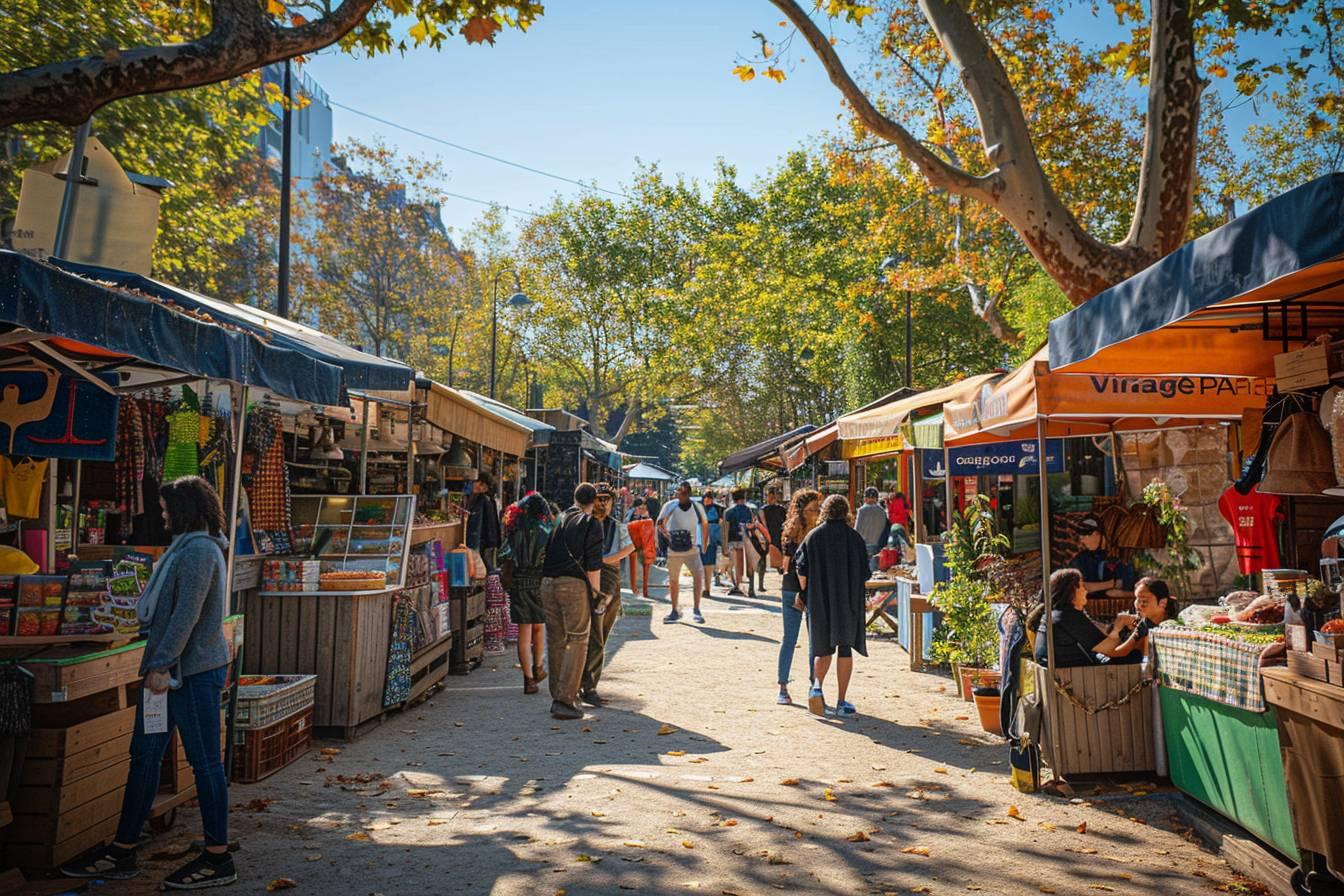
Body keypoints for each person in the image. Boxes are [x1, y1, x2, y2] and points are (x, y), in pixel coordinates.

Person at [62, 477, 236, 889]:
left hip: (188, 675)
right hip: (169, 672)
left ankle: (218, 858)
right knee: (144, 757)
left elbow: (186, 616)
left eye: (165, 509)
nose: (161, 516)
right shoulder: (187, 548)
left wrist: (160, 664)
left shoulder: (197, 551)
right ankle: (123, 850)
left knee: (206, 763)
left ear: (185, 510)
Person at [795, 494, 869, 718]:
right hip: (847, 601)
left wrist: (804, 594)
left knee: (822, 648)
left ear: (824, 510)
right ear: (846, 511)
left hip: (819, 600)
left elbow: (802, 571)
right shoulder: (854, 538)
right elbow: (865, 572)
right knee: (844, 649)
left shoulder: (813, 537)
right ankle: (841, 701)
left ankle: (816, 686)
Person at [540, 483, 606, 720]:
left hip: (548, 583)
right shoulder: (592, 524)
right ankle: (566, 699)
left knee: (556, 639)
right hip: (574, 585)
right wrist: (596, 596)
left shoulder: (559, 519)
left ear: (575, 497)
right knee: (578, 639)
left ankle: (558, 694)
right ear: (594, 500)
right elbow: (593, 565)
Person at [1028, 568, 1145, 668]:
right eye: (1082, 587)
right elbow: (1110, 650)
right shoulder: (1068, 617)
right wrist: (1136, 631)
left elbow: (1102, 640)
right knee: (1135, 656)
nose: (1086, 591)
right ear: (1072, 591)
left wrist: (1120, 627)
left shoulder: (1056, 614)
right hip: (1076, 679)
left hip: (1067, 675)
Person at [582, 483, 633, 706]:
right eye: (599, 498)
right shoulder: (583, 523)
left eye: (606, 499)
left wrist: (602, 560)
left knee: (600, 634)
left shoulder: (617, 526)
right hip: (586, 578)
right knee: (590, 634)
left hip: (609, 580)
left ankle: (589, 683)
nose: (602, 503)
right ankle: (587, 684)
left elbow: (629, 549)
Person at [499, 493, 553, 694]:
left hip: (519, 581)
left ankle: (528, 680)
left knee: (524, 632)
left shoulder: (514, 530)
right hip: (539, 581)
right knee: (539, 627)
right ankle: (538, 668)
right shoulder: (546, 530)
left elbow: (503, 555)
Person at [777, 488, 821, 706]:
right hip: (795, 589)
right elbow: (786, 566)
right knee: (791, 638)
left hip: (809, 589)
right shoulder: (796, 532)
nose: (817, 512)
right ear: (802, 510)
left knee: (815, 640)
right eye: (813, 509)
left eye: (819, 508)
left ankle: (815, 687)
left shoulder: (818, 530)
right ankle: (784, 686)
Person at [657, 481, 709, 624]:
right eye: (679, 492)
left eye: (684, 492)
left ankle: (697, 608)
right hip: (674, 549)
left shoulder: (697, 507)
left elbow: (705, 524)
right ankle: (674, 609)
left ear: (689, 493)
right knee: (673, 580)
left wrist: (704, 545)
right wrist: (669, 537)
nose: (681, 495)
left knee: (698, 577)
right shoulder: (670, 506)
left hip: (692, 548)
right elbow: (660, 524)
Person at [1068, 514, 1135, 596]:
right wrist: (1111, 584)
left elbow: (1125, 586)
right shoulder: (1080, 560)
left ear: (1099, 534)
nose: (1082, 541)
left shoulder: (1122, 558)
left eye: (1086, 535)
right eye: (1081, 536)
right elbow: (1078, 587)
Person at [724, 488, 758, 597]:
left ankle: (737, 585)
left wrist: (724, 544)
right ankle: (750, 588)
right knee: (748, 563)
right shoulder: (749, 510)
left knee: (733, 564)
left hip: (732, 539)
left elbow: (725, 528)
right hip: (746, 539)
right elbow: (752, 525)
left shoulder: (728, 511)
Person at [466, 472, 502, 570]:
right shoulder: (491, 500)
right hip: (490, 541)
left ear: (482, 484)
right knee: (489, 568)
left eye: (476, 482)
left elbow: (475, 523)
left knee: (482, 569)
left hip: (481, 541)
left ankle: (490, 584)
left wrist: (472, 544)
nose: (474, 485)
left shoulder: (481, 499)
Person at [759, 486, 787, 591]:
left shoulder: (781, 509)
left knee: (782, 560)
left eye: (772, 497)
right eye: (769, 497)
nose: (770, 499)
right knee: (763, 559)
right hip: (769, 535)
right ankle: (760, 584)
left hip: (776, 535)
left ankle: (782, 581)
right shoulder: (764, 510)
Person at [699, 490, 727, 596]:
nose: (707, 500)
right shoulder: (698, 508)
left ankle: (707, 588)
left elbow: (724, 523)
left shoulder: (718, 508)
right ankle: (703, 587)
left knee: (709, 564)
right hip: (700, 539)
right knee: (701, 564)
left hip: (712, 539)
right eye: (706, 497)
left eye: (709, 498)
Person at [626, 503, 656, 599]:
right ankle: (635, 588)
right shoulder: (633, 516)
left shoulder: (648, 520)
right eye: (640, 508)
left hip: (642, 542)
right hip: (635, 541)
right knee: (635, 564)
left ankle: (642, 589)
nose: (641, 509)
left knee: (644, 565)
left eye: (643, 508)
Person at [854, 487, 888, 571]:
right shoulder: (882, 511)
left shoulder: (862, 510)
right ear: (876, 498)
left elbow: (857, 529)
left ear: (865, 498)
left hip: (864, 545)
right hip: (878, 545)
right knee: (875, 572)